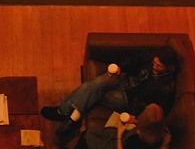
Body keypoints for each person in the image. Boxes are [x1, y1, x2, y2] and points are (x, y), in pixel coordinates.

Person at [41, 44, 180, 141]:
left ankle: (65, 113)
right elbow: (135, 59)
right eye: (154, 62)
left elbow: (157, 111)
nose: (154, 66)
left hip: (128, 98)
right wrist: (121, 67)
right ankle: (72, 119)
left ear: (168, 67)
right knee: (95, 85)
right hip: (124, 79)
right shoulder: (152, 56)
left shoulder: (165, 88)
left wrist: (136, 115)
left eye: (159, 66)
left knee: (93, 90)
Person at [59, 102, 170, 149]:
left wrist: (119, 134)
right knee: (89, 132)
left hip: (118, 147)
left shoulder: (138, 142)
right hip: (126, 136)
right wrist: (134, 120)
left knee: (87, 137)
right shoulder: (158, 130)